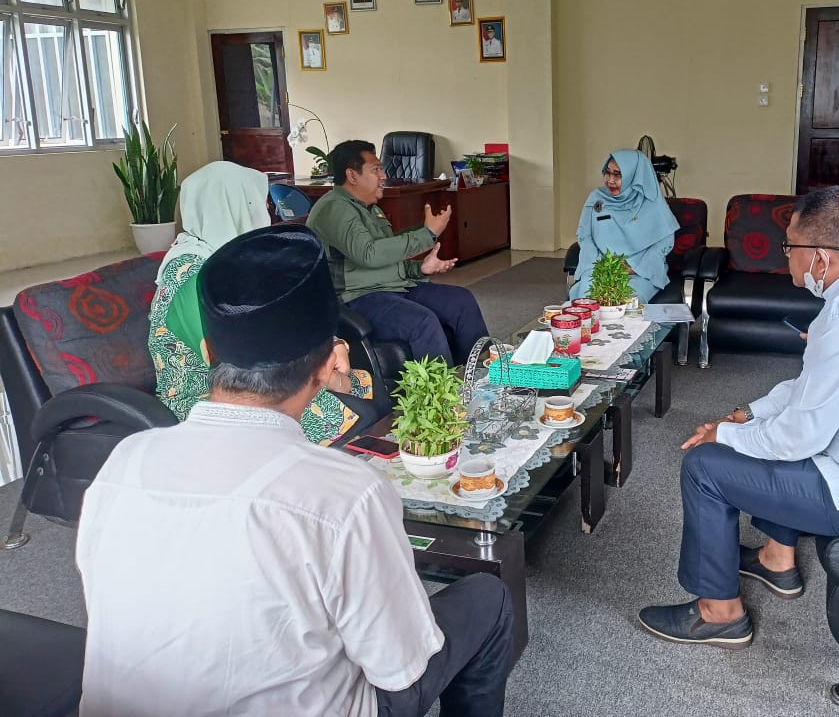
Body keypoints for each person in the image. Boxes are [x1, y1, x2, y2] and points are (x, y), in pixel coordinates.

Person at [77, 224, 514, 715]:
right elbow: (400, 665)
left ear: (207, 353)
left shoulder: (123, 463)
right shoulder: (346, 493)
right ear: (328, 366)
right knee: (488, 599)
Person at [637, 186, 839, 649]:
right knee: (760, 435)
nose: (784, 256)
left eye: (789, 247)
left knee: (704, 466)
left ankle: (719, 614)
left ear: (820, 259)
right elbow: (809, 389)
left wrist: (721, 436)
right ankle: (776, 560)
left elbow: (796, 438)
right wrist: (746, 414)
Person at [148, 160, 375, 445]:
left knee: (357, 391)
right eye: (259, 204)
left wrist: (330, 345)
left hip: (258, 380)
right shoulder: (193, 272)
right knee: (344, 411)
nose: (268, 213)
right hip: (211, 397)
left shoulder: (225, 259)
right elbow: (240, 353)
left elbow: (276, 319)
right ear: (233, 207)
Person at [307, 140, 489, 365]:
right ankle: (442, 398)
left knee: (461, 301)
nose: (383, 175)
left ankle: (483, 377)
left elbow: (384, 260)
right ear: (352, 176)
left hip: (392, 288)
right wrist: (427, 234)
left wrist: (419, 268)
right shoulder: (335, 208)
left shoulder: (369, 209)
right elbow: (369, 254)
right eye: (376, 169)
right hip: (358, 297)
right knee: (422, 322)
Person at [569, 149, 679, 303]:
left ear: (635, 176)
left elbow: (664, 243)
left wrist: (634, 267)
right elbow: (585, 236)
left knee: (627, 304)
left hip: (640, 272)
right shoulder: (597, 199)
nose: (610, 180)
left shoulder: (652, 203)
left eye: (618, 175)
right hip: (600, 268)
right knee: (588, 300)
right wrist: (600, 264)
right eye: (607, 173)